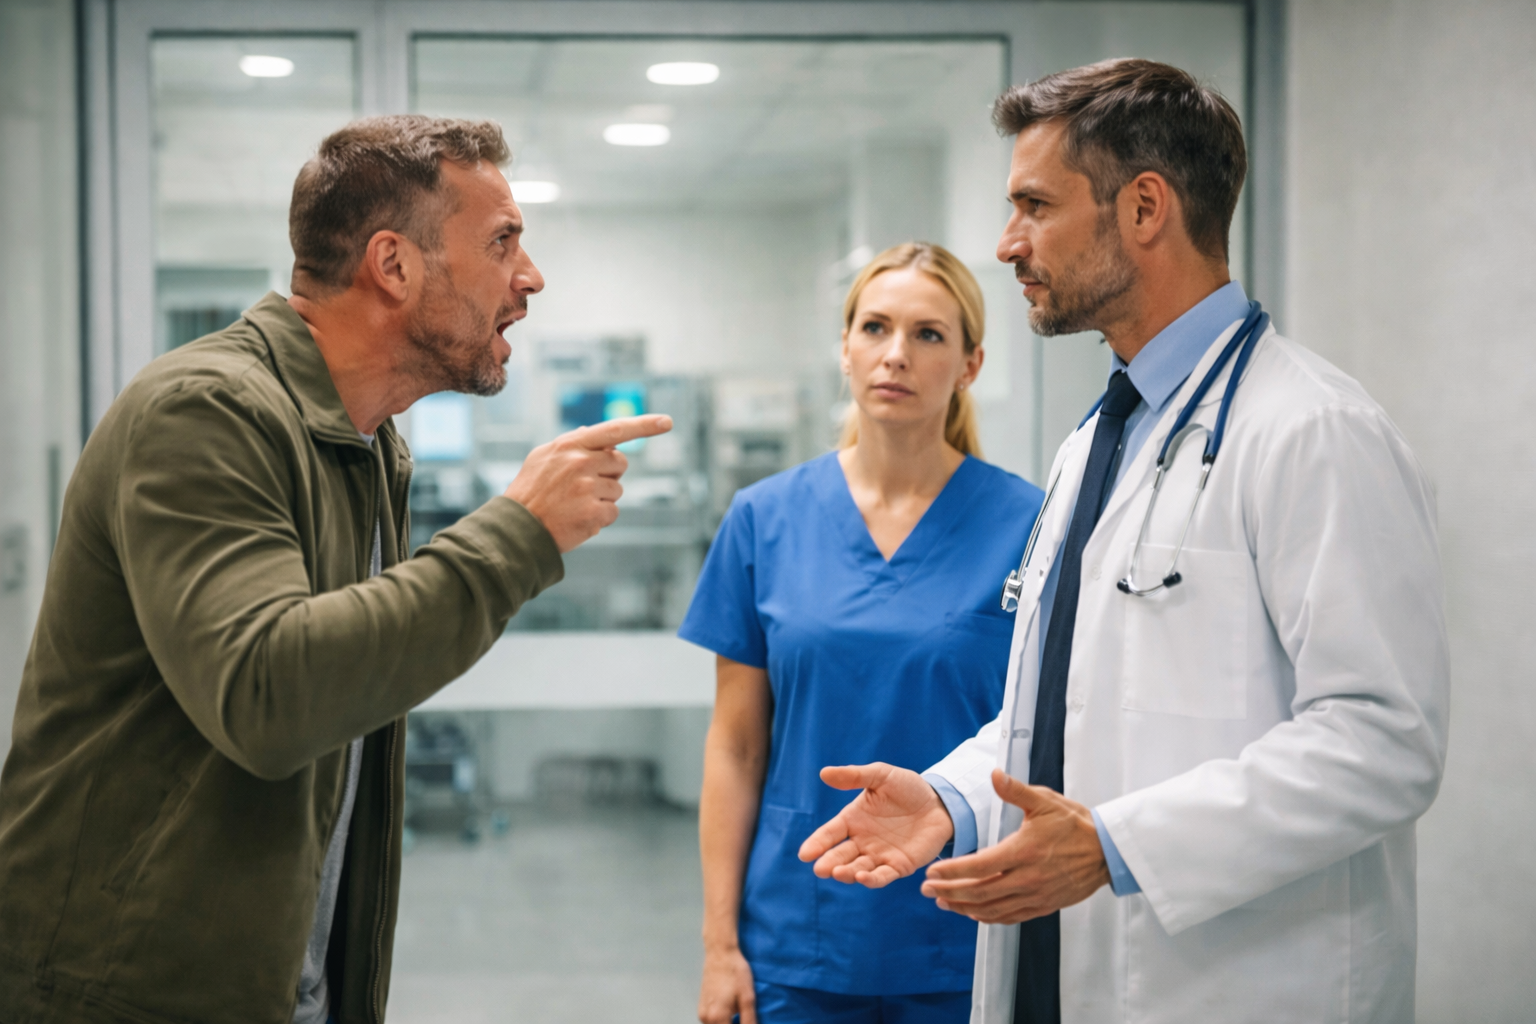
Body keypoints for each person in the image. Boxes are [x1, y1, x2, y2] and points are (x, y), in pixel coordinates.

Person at [799, 60, 1449, 1024]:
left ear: (1145, 208)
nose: (1006, 243)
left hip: (1246, 987)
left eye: (1033, 205)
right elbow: (1070, 712)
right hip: (1068, 973)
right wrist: (950, 800)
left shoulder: (1311, 429)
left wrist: (1116, 845)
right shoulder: (1098, 442)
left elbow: (1384, 741)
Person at [0, 115, 669, 1024]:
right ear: (393, 266)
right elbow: (267, 693)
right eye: (503, 241)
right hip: (122, 993)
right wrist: (517, 533)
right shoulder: (205, 412)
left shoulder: (363, 444)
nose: (531, 276)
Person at [683, 243, 1045, 1024]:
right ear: (845, 350)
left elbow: (1047, 736)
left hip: (964, 926)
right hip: (797, 931)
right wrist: (720, 945)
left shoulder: (1032, 525)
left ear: (970, 364)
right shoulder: (764, 519)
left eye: (928, 334)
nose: (895, 354)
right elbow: (736, 746)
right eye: (875, 327)